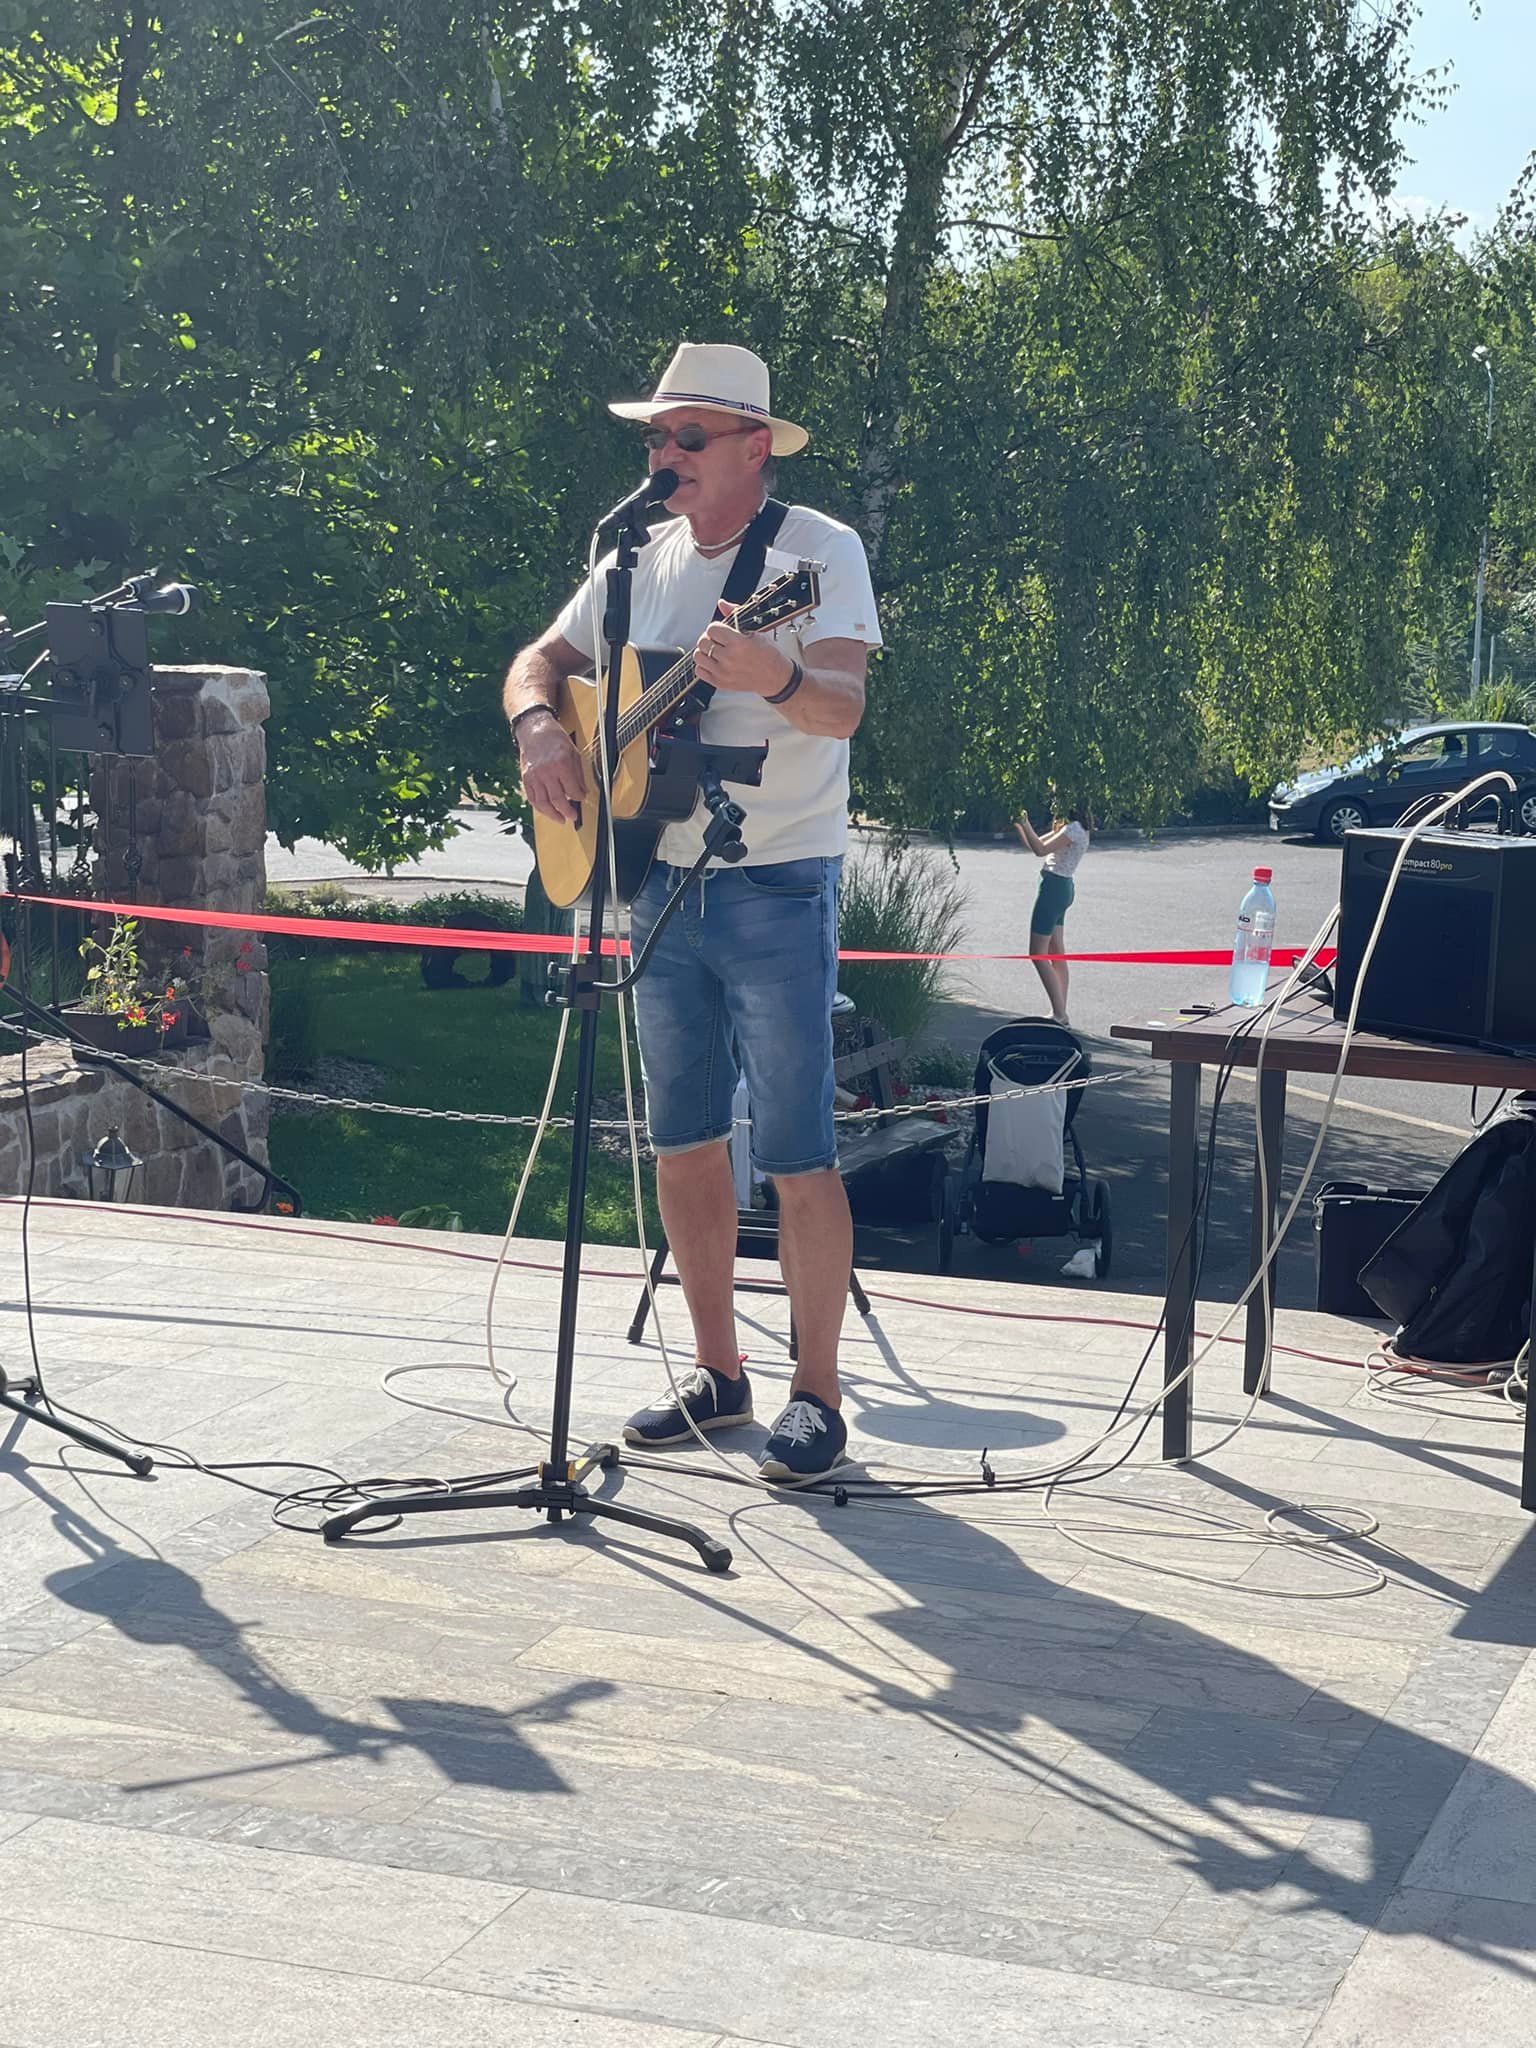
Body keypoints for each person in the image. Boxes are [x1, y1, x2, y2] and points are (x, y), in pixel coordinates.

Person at [503, 342, 882, 1483]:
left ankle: (817, 1395)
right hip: (657, 882)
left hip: (777, 881)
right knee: (681, 1141)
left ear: (755, 447)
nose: (663, 454)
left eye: (688, 436)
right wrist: (540, 727)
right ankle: (720, 1374)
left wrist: (773, 675)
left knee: (800, 1149)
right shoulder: (634, 559)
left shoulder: (817, 552)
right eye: (655, 437)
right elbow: (539, 660)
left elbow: (844, 706)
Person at [1014, 802, 1091, 1027]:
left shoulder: (1073, 829)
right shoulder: (1073, 827)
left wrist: (1025, 822)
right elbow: (1035, 844)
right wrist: (1020, 826)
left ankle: (1059, 1013)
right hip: (1060, 886)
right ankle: (1060, 1012)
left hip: (1054, 888)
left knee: (1037, 953)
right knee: (1056, 952)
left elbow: (1040, 850)